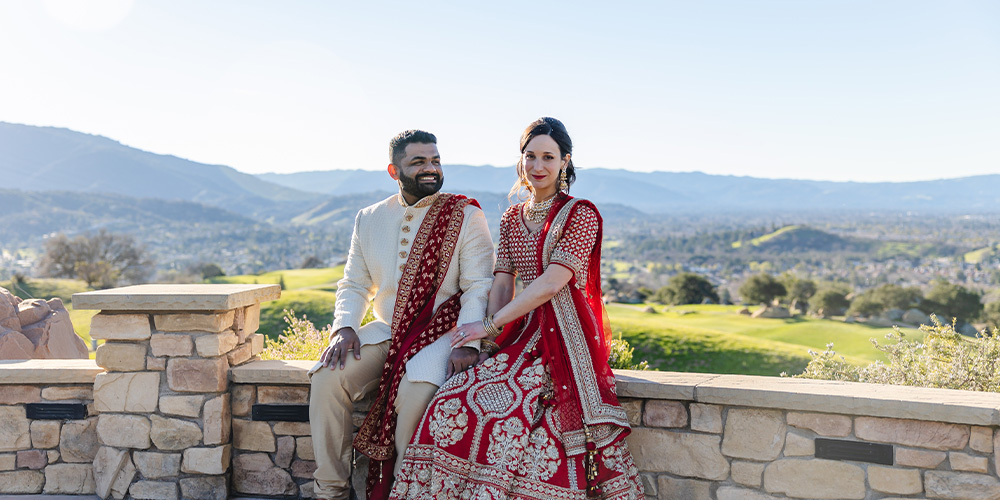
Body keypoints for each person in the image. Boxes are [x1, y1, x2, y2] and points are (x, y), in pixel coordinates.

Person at [389, 118, 644, 500]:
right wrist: (487, 339)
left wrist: (488, 325)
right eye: (530, 156)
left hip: (566, 335)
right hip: (522, 330)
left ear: (564, 161)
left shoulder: (580, 214)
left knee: (533, 419)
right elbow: (503, 283)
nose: (537, 166)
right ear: (520, 160)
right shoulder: (512, 217)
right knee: (452, 398)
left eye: (548, 157)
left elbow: (551, 283)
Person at [309, 130, 495, 500]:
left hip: (441, 334)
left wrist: (469, 343)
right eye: (419, 162)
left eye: (436, 160)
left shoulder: (466, 216)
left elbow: (479, 285)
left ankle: (404, 493)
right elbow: (354, 284)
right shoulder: (370, 218)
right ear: (394, 170)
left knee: (414, 396)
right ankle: (330, 490)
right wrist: (345, 327)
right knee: (328, 378)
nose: (431, 168)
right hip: (387, 332)